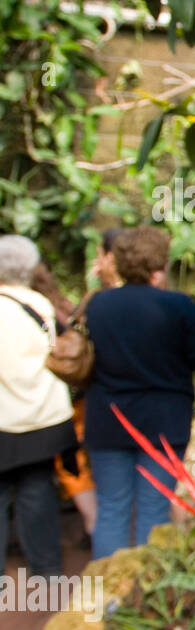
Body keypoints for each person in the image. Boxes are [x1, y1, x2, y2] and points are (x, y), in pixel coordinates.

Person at [84, 226, 195, 559]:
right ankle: (144, 600)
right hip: (164, 420)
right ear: (161, 261)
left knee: (112, 509)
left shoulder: (98, 305)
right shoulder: (179, 306)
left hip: (108, 419)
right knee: (155, 510)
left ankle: (106, 597)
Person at [0, 235, 78, 577]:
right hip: (43, 416)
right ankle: (47, 570)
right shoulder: (41, 305)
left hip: (4, 418)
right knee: (37, 489)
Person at [31, 261, 96, 548]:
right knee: (77, 461)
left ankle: (93, 521)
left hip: (56, 401)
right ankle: (93, 521)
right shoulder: (62, 305)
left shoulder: (38, 310)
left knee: (70, 466)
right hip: (77, 396)